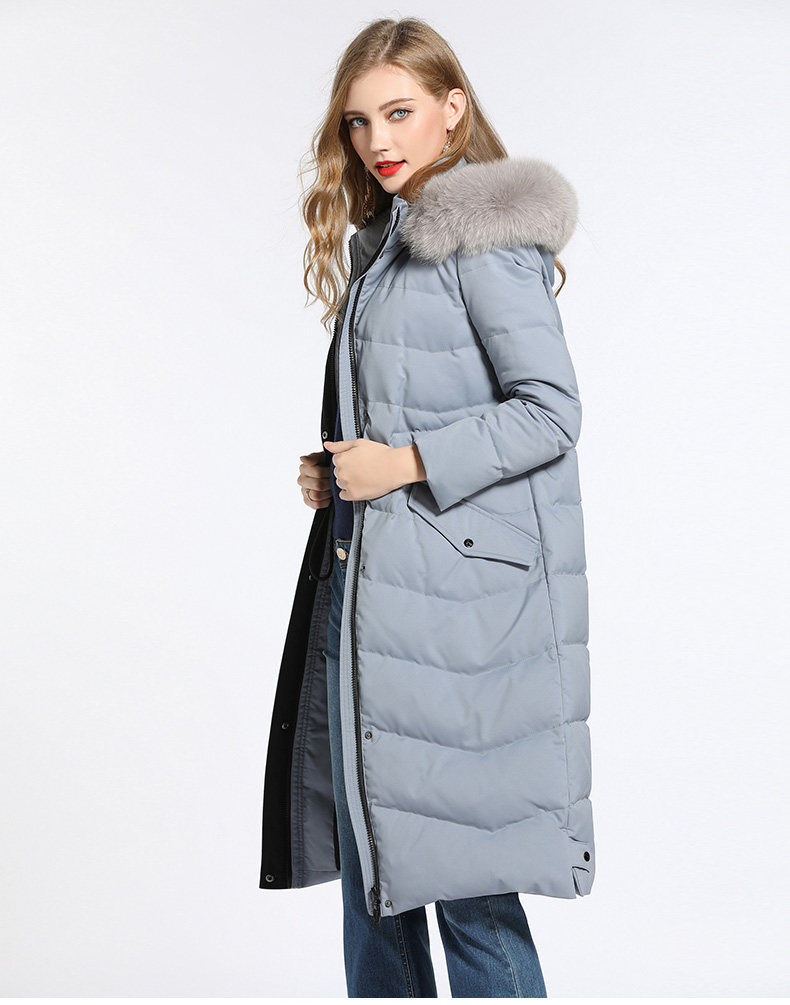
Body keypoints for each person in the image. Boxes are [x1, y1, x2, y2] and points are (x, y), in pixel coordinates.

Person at [260, 16, 595, 998]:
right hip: (374, 601)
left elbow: (551, 413)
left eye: (399, 112)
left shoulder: (480, 240)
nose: (378, 140)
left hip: (458, 629)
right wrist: (342, 471)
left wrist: (404, 463)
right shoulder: (388, 246)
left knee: (468, 892)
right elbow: (411, 411)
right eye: (359, 122)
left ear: (453, 109)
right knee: (377, 885)